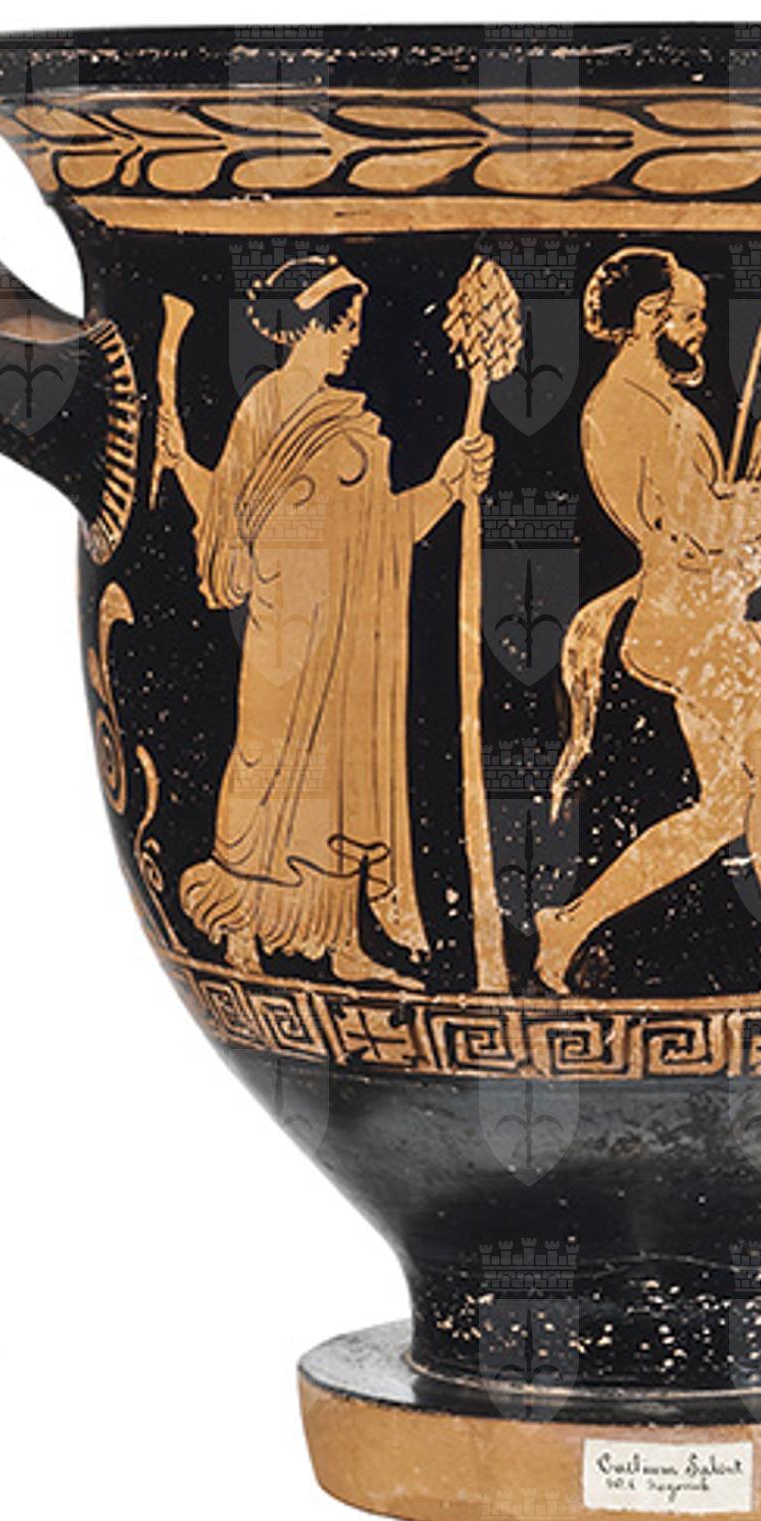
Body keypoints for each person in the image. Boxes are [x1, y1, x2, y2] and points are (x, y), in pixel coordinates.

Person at [536, 247, 761, 994]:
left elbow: (698, 515)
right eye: (690, 316)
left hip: (688, 613)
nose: (701, 330)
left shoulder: (651, 400)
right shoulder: (630, 407)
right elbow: (696, 524)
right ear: (649, 318)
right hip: (690, 624)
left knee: (726, 806)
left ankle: (566, 925)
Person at [157, 256, 491, 983]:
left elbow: (384, 532)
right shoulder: (264, 409)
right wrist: (181, 464)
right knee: (268, 766)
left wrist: (447, 484)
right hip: (286, 631)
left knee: (345, 779)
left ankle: (343, 943)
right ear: (312, 325)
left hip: (349, 629)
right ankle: (241, 932)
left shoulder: (354, 419)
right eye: (347, 326)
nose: (354, 340)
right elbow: (228, 520)